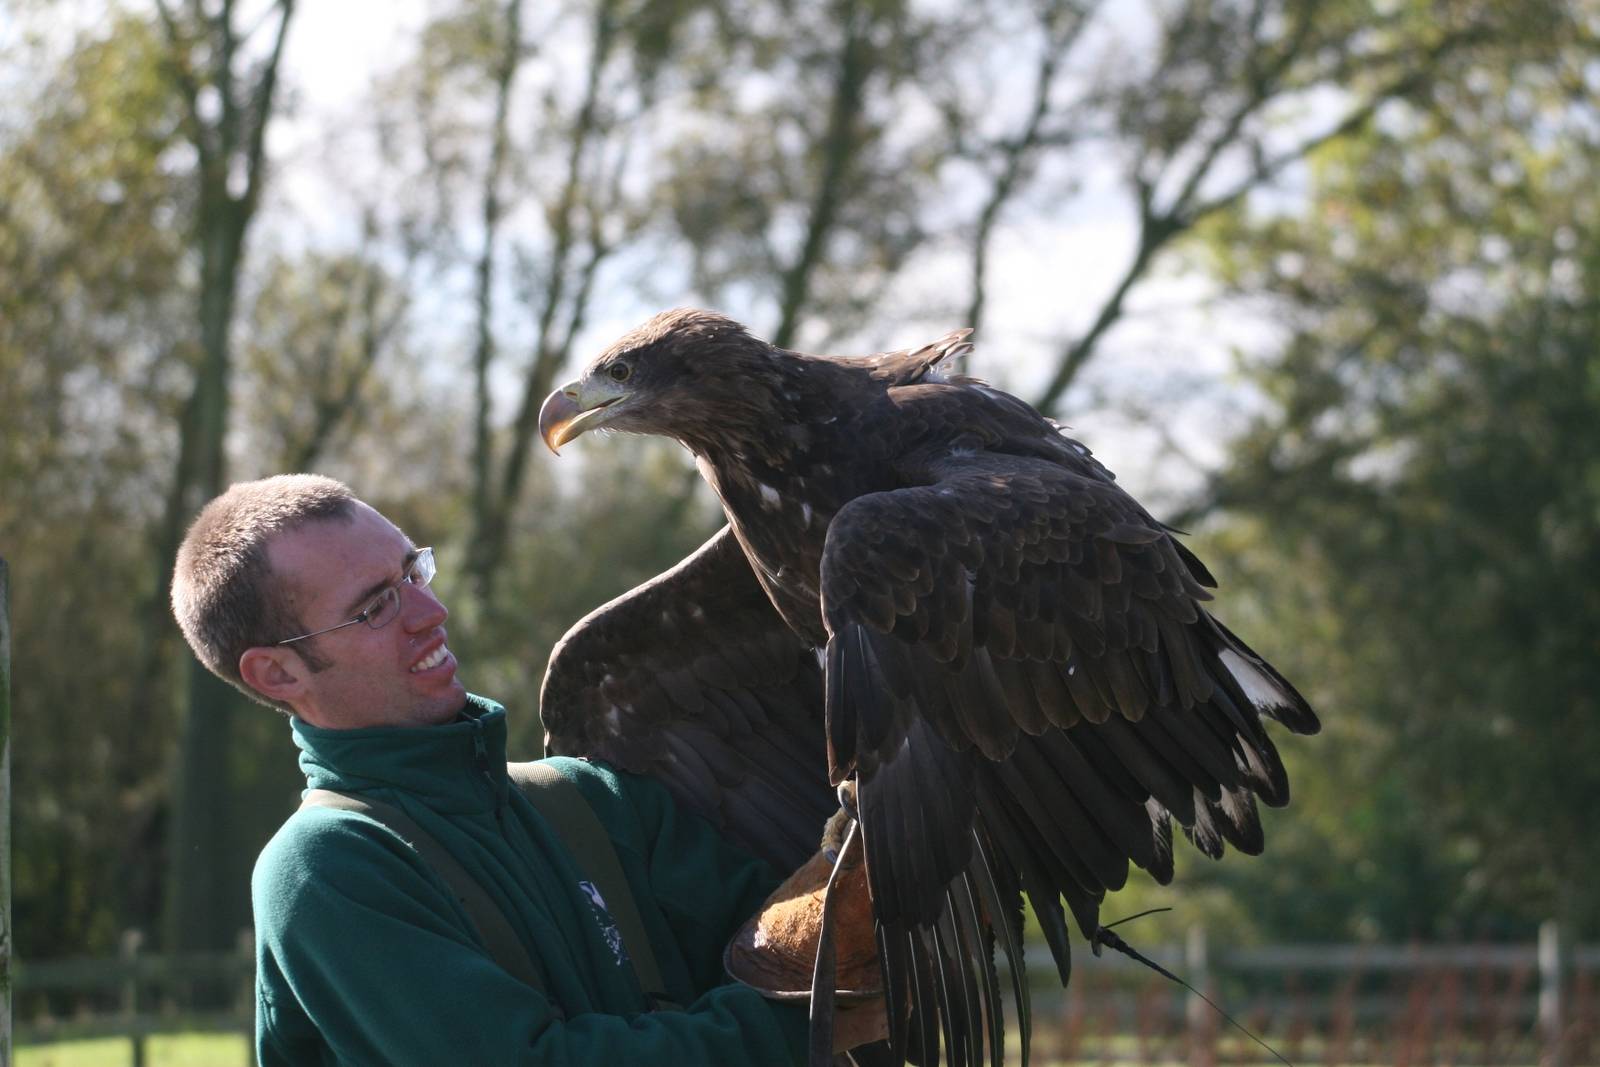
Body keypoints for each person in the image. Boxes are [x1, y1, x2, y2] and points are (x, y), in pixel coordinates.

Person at [171, 473, 885, 1066]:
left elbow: (799, 943)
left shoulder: (594, 801)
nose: (431, 610)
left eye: (412, 569)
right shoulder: (324, 872)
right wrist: (811, 1023)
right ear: (277, 672)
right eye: (376, 606)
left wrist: (900, 851)